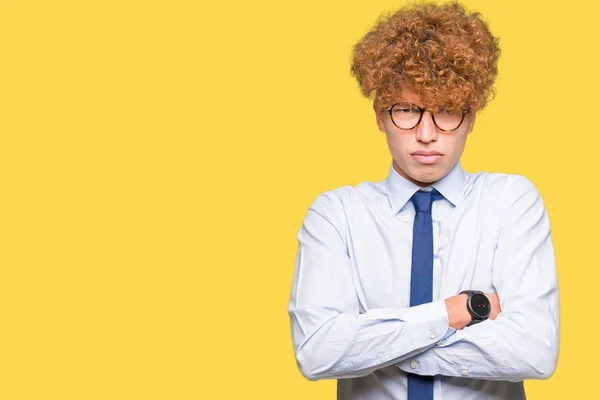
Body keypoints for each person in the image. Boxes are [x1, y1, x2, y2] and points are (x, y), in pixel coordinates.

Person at [287, 2, 560, 399]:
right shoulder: (335, 216)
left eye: (446, 111)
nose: (427, 133)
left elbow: (536, 351)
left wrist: (377, 340)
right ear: (380, 115)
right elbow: (315, 353)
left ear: (471, 117)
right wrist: (460, 311)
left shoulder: (512, 203)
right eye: (407, 110)